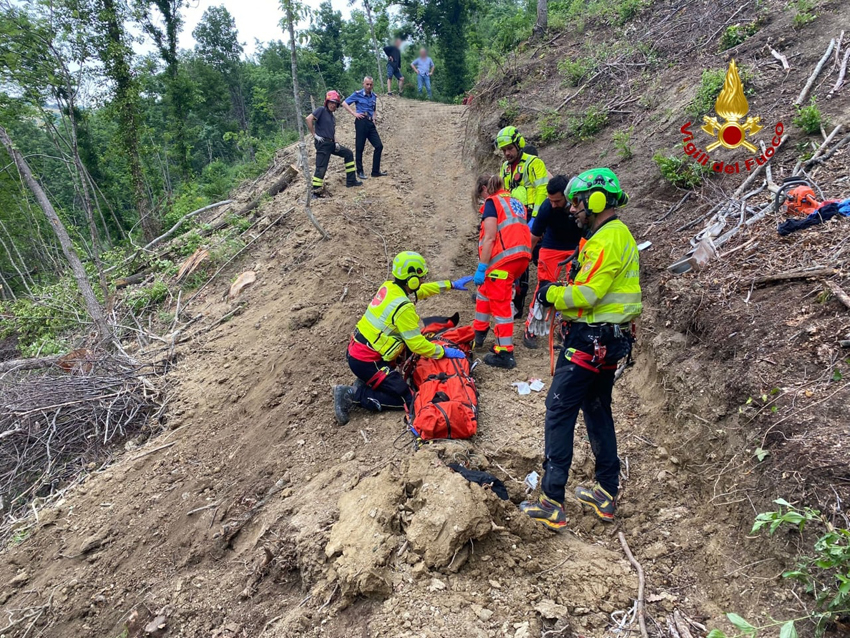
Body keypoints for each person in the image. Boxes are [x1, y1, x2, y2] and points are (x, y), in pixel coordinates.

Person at [519, 168, 642, 530]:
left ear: (597, 200)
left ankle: (551, 500)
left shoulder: (607, 240)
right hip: (609, 341)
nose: (572, 210)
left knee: (558, 408)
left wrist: (549, 293)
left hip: (592, 341)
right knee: (597, 406)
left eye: (577, 202)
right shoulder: (612, 237)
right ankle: (605, 490)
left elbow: (586, 295)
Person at [333, 251, 473, 425]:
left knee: (400, 369)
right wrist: (443, 351)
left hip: (358, 351)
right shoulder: (403, 307)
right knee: (408, 398)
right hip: (368, 361)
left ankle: (366, 381)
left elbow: (421, 291)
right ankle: (352, 395)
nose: (422, 281)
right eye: (421, 277)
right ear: (412, 280)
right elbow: (417, 345)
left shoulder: (390, 287)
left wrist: (450, 284)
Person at [472, 175, 532, 370]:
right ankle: (479, 333)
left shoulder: (492, 203)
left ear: (484, 189)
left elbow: (489, 238)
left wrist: (482, 267)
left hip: (503, 260)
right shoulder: (515, 202)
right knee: (484, 293)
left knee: (500, 304)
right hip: (520, 258)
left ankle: (505, 352)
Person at [523, 175, 584, 348]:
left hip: (576, 248)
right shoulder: (546, 208)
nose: (553, 204)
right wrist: (524, 259)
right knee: (544, 287)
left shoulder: (579, 207)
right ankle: (531, 327)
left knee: (573, 289)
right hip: (551, 248)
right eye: (551, 200)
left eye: (557, 201)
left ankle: (565, 327)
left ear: (567, 196)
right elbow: (533, 237)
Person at [495, 127, 549, 319]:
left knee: (540, 260)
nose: (507, 153)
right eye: (504, 150)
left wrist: (536, 219)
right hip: (514, 220)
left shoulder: (534, 163)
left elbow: (542, 190)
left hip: (533, 219)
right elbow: (504, 192)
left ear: (519, 144)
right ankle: (516, 306)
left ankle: (547, 305)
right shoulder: (504, 168)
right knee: (518, 263)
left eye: (509, 148)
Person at [305, 90, 361, 196]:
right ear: (327, 102)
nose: (333, 105)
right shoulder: (321, 110)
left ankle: (351, 181)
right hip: (322, 143)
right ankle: (315, 192)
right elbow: (308, 119)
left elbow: (332, 131)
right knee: (321, 166)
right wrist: (314, 134)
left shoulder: (332, 116)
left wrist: (336, 142)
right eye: (331, 102)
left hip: (331, 143)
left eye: (335, 103)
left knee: (348, 153)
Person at [343, 77, 387, 181]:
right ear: (363, 84)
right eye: (367, 84)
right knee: (360, 147)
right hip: (361, 121)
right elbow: (344, 103)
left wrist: (374, 117)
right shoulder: (357, 94)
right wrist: (354, 113)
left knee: (379, 146)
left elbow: (374, 108)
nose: (369, 86)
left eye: (371, 84)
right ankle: (360, 171)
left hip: (370, 122)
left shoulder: (373, 96)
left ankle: (375, 171)